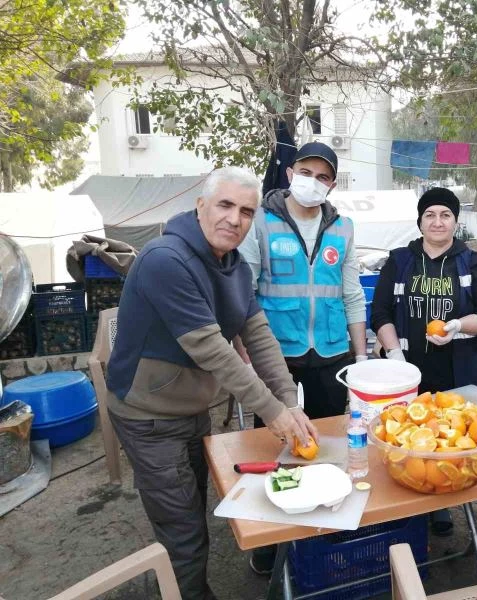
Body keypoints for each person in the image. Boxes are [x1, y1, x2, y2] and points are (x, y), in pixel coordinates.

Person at [106, 166, 317, 600]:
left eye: (245, 211)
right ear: (200, 206)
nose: (234, 219)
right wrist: (274, 413)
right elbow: (212, 350)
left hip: (190, 407)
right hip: (148, 414)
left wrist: (289, 401)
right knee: (182, 528)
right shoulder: (165, 260)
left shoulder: (234, 268)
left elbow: (260, 338)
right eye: (224, 205)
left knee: (190, 509)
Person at [239, 141, 366, 574]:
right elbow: (245, 291)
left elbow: (352, 293)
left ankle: (324, 527)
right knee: (275, 445)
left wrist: (362, 353)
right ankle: (269, 539)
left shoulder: (344, 228)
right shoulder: (261, 221)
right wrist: (245, 357)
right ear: (291, 173)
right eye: (307, 172)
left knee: (328, 444)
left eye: (324, 176)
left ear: (332, 184)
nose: (315, 181)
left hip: (331, 350)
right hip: (275, 354)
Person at [370, 187, 477, 534]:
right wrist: (395, 357)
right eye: (430, 215)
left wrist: (457, 326)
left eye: (445, 215)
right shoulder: (399, 260)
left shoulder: (471, 262)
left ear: (456, 222)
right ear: (420, 221)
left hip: (455, 372)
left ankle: (441, 505)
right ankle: (405, 508)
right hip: (406, 373)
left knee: (447, 440)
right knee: (404, 437)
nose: (438, 221)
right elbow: (379, 312)